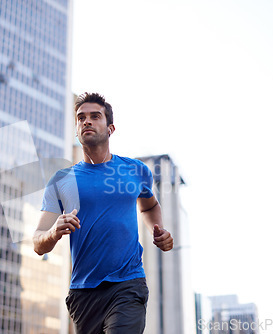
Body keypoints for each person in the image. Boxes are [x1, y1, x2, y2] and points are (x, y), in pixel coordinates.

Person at [33, 92, 173, 333]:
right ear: (76, 130)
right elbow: (38, 243)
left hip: (127, 284)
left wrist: (158, 230)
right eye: (81, 118)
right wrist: (54, 231)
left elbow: (149, 205)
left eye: (95, 116)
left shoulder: (135, 170)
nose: (86, 121)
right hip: (83, 293)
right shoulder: (62, 181)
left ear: (110, 128)